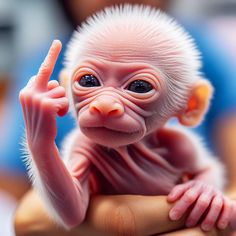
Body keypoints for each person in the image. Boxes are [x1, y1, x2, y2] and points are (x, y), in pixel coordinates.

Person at [14, 0, 236, 235]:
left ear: (190, 104)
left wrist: (206, 190)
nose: (105, 105)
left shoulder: (176, 144)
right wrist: (40, 145)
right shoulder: (85, 148)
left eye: (139, 86)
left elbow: (206, 171)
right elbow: (72, 215)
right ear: (67, 87)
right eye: (88, 82)